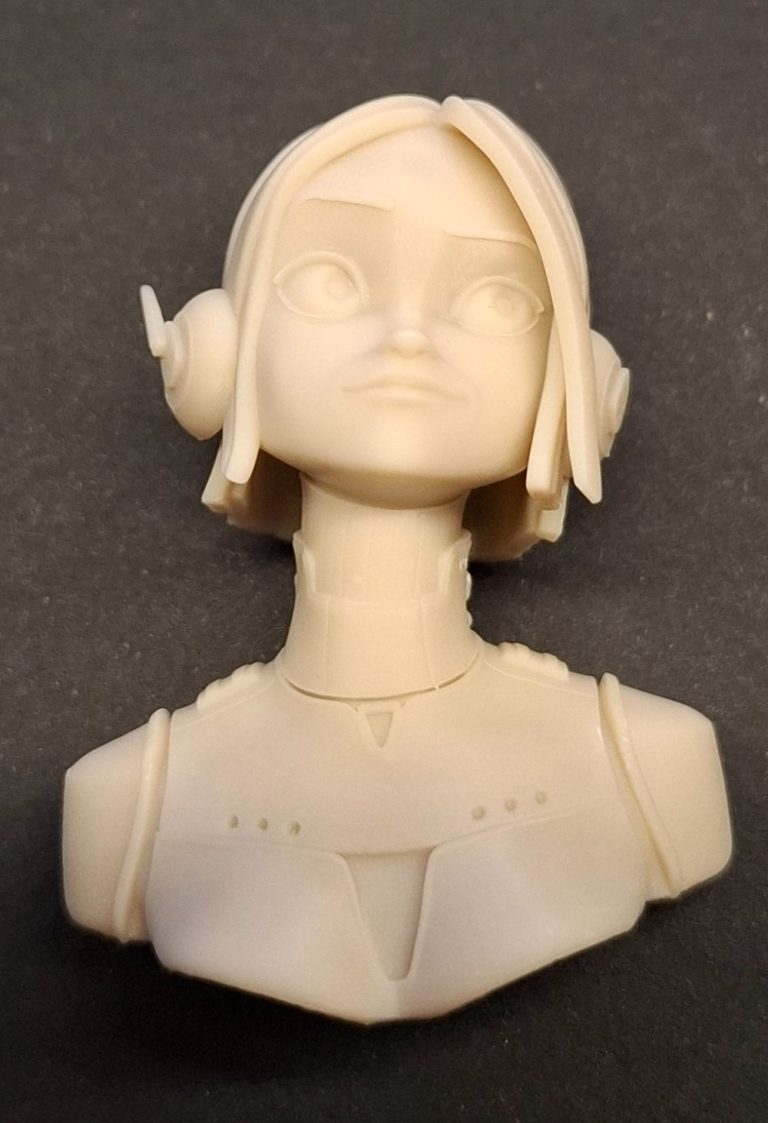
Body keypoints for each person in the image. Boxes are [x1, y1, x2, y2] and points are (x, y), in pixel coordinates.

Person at [62, 96, 732, 1023]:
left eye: (497, 300)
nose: (409, 337)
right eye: (329, 281)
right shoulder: (126, 804)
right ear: (213, 350)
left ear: (578, 381)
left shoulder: (650, 761)